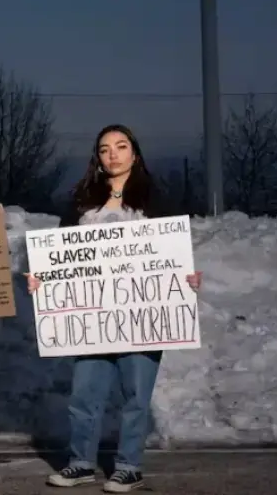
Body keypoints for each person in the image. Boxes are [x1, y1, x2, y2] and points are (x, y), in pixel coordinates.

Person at [26, 124, 203, 493]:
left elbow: (173, 252)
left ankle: (129, 466)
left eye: (121, 147)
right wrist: (43, 280)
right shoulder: (81, 202)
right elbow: (60, 256)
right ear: (98, 157)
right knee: (84, 395)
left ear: (134, 154)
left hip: (142, 316)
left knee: (136, 396)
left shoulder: (155, 198)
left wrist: (186, 279)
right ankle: (80, 463)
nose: (113, 154)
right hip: (92, 318)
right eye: (105, 149)